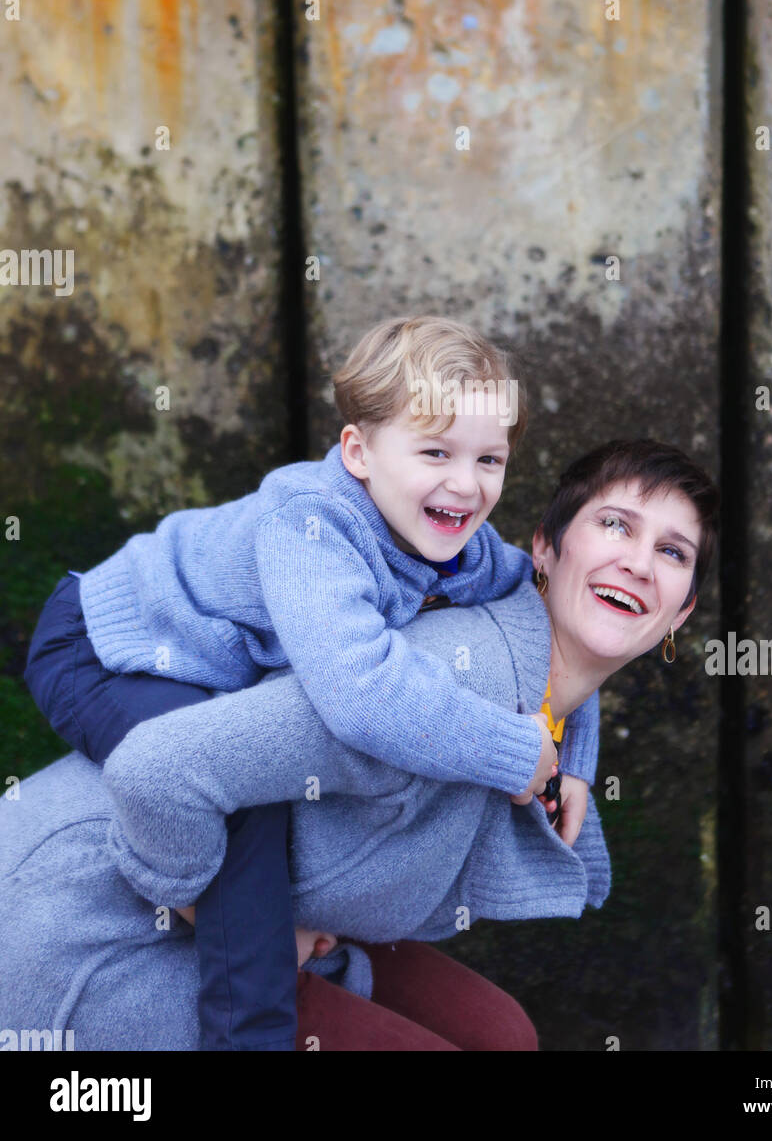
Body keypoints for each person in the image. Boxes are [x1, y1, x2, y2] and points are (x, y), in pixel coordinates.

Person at [0, 437, 718, 1050]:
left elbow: (566, 659)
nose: (638, 562)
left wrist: (578, 760)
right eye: (616, 526)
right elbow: (158, 768)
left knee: (503, 1037)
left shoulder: (535, 674)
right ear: (543, 548)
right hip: (89, 921)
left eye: (672, 551)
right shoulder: (429, 687)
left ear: (681, 611)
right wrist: (223, 920)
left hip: (263, 904)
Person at [19, 315, 596, 1051]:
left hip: (210, 667)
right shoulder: (312, 525)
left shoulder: (467, 547)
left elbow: (546, 621)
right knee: (236, 793)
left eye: (490, 459)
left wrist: (575, 753)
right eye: (435, 451)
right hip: (112, 644)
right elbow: (360, 689)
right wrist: (516, 754)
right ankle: (249, 1027)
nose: (466, 483)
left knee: (255, 774)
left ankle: (271, 937)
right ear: (358, 452)